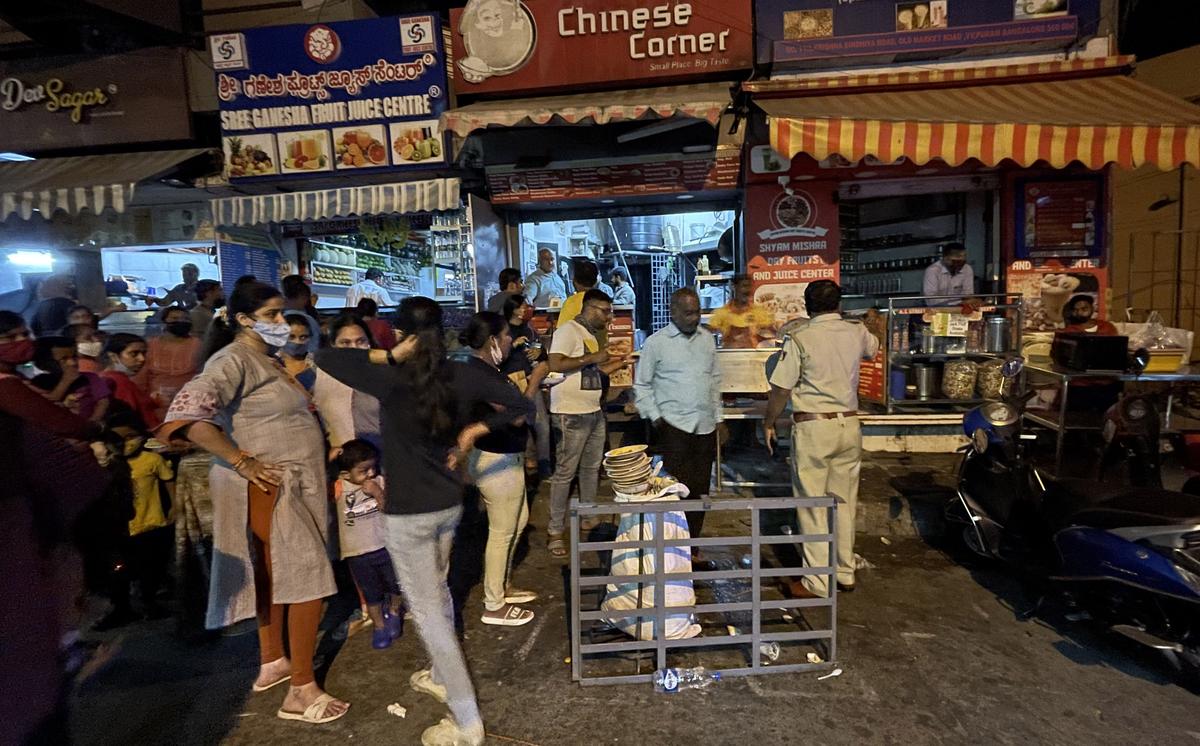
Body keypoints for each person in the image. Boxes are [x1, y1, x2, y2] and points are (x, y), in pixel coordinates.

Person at [315, 296, 534, 746]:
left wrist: (388, 354)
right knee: (438, 592)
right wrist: (472, 432)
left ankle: (466, 721)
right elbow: (521, 406)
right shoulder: (463, 372)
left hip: (409, 515)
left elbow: (324, 356)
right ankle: (439, 674)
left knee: (431, 616)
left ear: (399, 334)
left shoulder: (390, 374)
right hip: (449, 506)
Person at [156, 281, 347, 724]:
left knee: (275, 574)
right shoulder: (233, 360)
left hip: (290, 484)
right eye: (274, 314)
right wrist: (240, 460)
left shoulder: (267, 359)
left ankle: (273, 661)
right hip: (274, 487)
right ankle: (302, 688)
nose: (283, 323)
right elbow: (187, 418)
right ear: (244, 319)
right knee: (306, 579)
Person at [763, 281, 880, 598]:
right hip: (849, 426)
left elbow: (781, 388)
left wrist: (769, 421)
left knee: (813, 505)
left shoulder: (800, 337)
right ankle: (844, 572)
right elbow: (874, 348)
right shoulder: (856, 332)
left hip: (815, 429)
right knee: (843, 502)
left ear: (806, 304)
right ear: (838, 304)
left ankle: (817, 581)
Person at [461, 312, 547, 627]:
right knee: (501, 532)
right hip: (495, 459)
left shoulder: (488, 370)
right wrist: (536, 379)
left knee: (518, 521)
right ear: (492, 341)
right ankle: (493, 604)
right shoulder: (481, 375)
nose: (512, 340)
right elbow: (517, 416)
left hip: (505, 457)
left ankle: (501, 587)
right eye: (507, 335)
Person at [546, 290, 629, 558]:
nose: (609, 317)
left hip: (592, 410)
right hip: (570, 413)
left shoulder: (589, 336)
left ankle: (588, 517)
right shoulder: (568, 331)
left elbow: (591, 374)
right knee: (565, 472)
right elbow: (555, 363)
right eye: (605, 311)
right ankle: (555, 530)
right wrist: (593, 358)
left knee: (591, 469)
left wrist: (620, 363)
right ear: (590, 308)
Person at [635, 288, 720, 540]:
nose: (694, 318)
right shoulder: (656, 343)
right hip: (672, 427)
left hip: (704, 427)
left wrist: (719, 418)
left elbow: (715, 381)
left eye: (697, 313)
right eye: (688, 313)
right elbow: (642, 385)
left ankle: (692, 546)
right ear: (673, 312)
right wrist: (655, 417)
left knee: (700, 490)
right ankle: (673, 545)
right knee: (673, 489)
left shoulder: (706, 340)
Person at [332, 440, 405, 649]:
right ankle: (379, 626)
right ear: (346, 474)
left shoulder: (379, 482)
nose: (370, 473)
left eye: (373, 467)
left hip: (385, 546)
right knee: (371, 594)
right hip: (357, 553)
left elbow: (389, 509)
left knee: (395, 585)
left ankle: (393, 612)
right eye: (363, 471)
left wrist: (377, 492)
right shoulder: (339, 487)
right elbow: (318, 480)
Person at [110, 412, 176, 621]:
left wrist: (175, 505)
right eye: (118, 439)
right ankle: (124, 607)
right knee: (124, 569)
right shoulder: (109, 464)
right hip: (124, 528)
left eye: (130, 436)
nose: (126, 443)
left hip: (152, 524)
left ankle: (150, 603)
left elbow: (169, 481)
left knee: (151, 567)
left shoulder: (152, 459)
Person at [312, 314, 382, 456]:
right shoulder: (317, 375)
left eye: (360, 341)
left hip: (382, 458)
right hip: (341, 460)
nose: (354, 348)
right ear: (333, 344)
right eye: (345, 343)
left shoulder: (383, 373)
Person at [502, 294, 551, 476]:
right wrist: (513, 345)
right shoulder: (503, 330)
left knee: (540, 423)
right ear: (512, 309)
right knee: (520, 423)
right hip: (511, 381)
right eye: (521, 307)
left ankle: (544, 462)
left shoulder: (529, 329)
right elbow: (497, 357)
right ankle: (527, 462)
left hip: (531, 378)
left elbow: (543, 353)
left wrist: (539, 352)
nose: (524, 311)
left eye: (525, 307)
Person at [137, 306, 202, 420]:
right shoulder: (151, 345)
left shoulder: (199, 345)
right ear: (164, 322)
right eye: (175, 318)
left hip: (189, 405)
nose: (181, 321)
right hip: (155, 406)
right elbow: (141, 377)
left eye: (185, 319)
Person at [31, 336, 111, 422]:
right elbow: (46, 404)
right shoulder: (39, 382)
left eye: (74, 357)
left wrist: (92, 422)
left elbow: (103, 402)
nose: (72, 363)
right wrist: (66, 381)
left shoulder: (90, 378)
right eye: (64, 359)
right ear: (44, 364)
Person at [100, 333, 160, 430]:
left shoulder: (107, 377)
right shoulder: (119, 382)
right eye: (134, 354)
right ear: (113, 356)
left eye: (144, 353)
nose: (142, 359)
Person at [708, 275, 776, 349]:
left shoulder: (759, 312)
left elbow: (771, 333)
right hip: (729, 355)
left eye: (750, 286)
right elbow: (710, 330)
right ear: (734, 287)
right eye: (744, 286)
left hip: (752, 356)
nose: (748, 290)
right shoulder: (721, 313)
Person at [558, 260, 609, 347]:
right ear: (595, 281)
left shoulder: (571, 302)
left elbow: (560, 333)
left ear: (575, 281)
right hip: (600, 353)